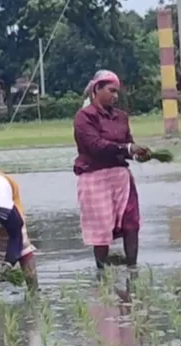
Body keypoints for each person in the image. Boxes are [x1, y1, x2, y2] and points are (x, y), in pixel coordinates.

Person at [73, 69, 150, 273]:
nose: (115, 96)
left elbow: (127, 144)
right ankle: (102, 273)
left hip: (120, 177)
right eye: (111, 90)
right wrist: (127, 148)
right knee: (101, 228)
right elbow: (95, 145)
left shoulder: (121, 117)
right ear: (97, 89)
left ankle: (133, 270)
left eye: (117, 92)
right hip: (94, 177)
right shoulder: (84, 117)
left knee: (131, 223)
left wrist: (137, 155)